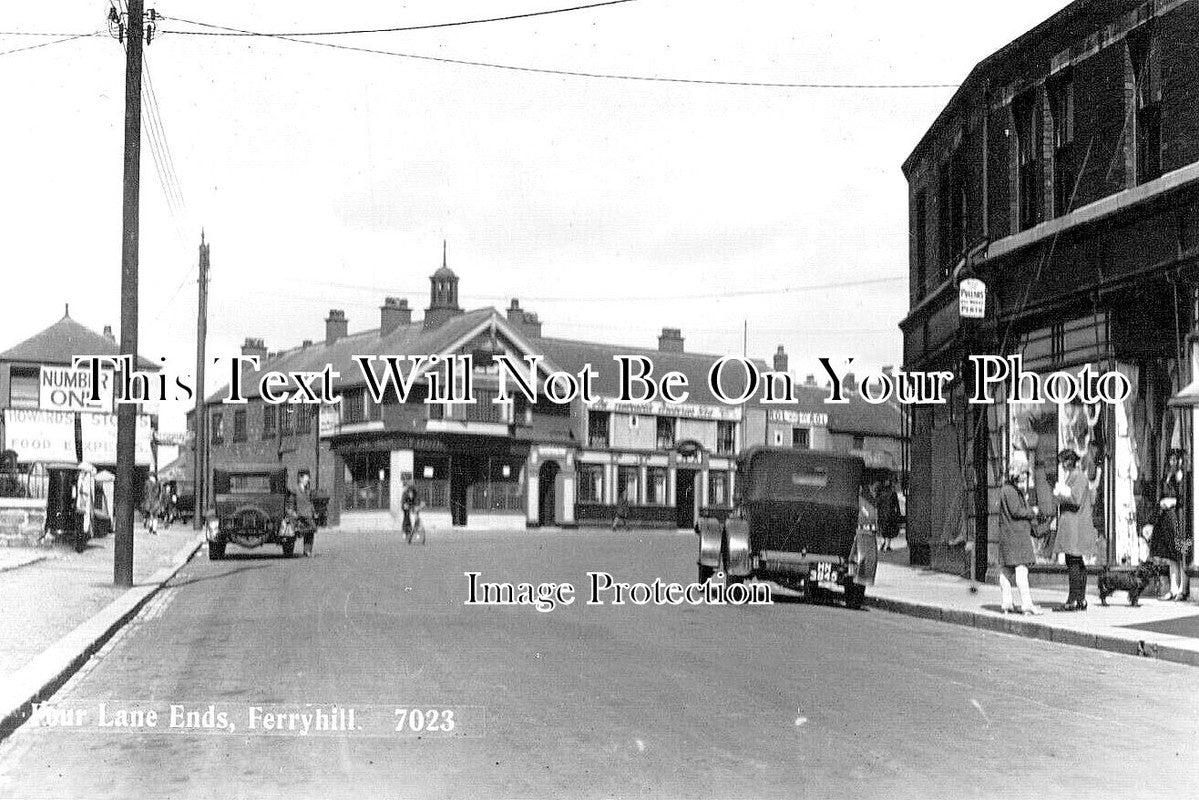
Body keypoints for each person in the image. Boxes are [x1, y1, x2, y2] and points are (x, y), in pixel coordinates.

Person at [997, 455, 1044, 615]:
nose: (1025, 476)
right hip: (1016, 535)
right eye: (1024, 473)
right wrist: (1033, 511)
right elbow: (1016, 511)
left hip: (1010, 534)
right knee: (1021, 569)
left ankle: (1007, 602)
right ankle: (1026, 604)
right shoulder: (1010, 491)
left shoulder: (1007, 489)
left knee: (1006, 570)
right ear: (1017, 473)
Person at [1053, 449, 1094, 611]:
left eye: (1064, 461)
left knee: (1073, 563)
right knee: (1077, 562)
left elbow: (1075, 500)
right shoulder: (1075, 476)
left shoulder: (1077, 476)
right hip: (1075, 524)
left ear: (1070, 461)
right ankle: (1080, 599)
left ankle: (1073, 600)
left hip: (1075, 525)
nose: (1062, 465)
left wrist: (1060, 494)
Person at [1151, 449, 1191, 601]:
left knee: (1181, 552)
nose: (1172, 462)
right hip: (1167, 518)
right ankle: (1174, 588)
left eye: (1175, 460)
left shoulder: (1182, 477)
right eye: (1171, 460)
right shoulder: (1166, 477)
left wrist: (1173, 501)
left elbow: (1185, 497)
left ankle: (1182, 588)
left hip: (1178, 517)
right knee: (1171, 555)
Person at [292, 468, 317, 557]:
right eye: (306, 478)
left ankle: (307, 551)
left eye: (308, 478)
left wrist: (314, 512)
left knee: (311, 531)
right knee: (312, 528)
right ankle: (300, 532)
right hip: (300, 514)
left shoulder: (308, 490)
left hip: (308, 514)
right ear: (300, 478)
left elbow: (310, 502)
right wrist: (293, 512)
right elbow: (292, 502)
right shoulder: (295, 489)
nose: (308, 480)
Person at [875, 477, 901, 552]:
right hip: (890, 514)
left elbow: (877, 504)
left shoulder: (880, 493)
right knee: (889, 530)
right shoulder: (893, 493)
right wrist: (898, 514)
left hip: (882, 514)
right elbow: (897, 504)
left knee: (884, 529)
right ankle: (887, 545)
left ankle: (884, 544)